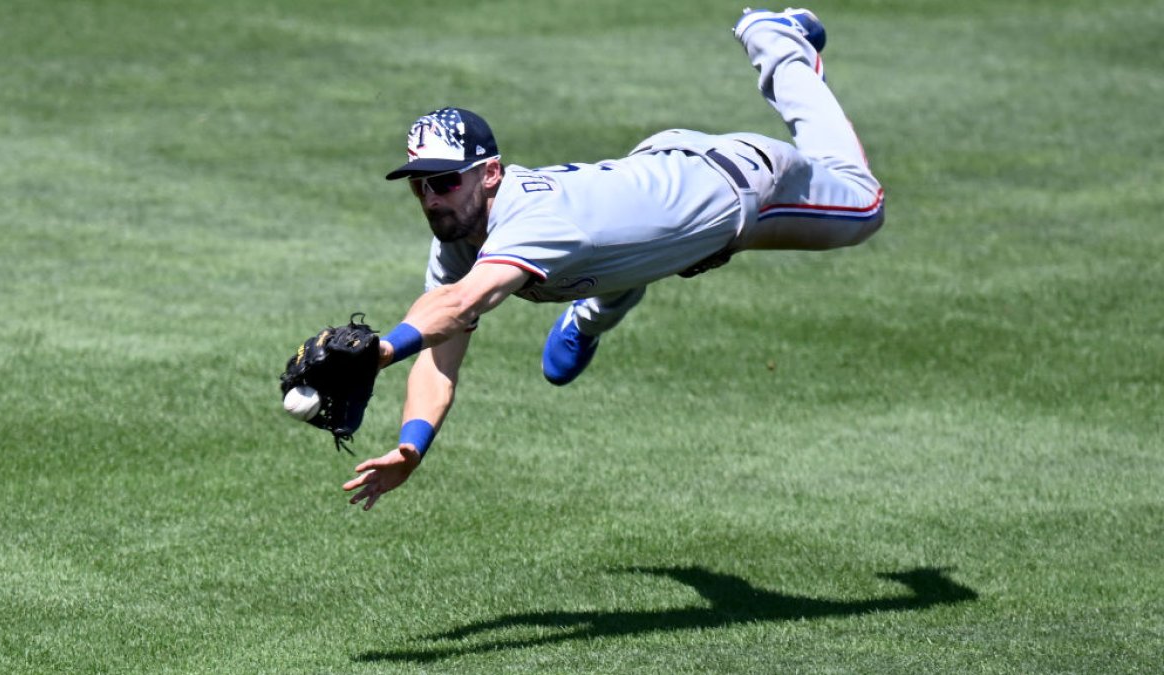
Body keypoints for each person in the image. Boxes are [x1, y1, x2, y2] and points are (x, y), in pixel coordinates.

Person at [343, 7, 885, 510]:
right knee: (616, 254)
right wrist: (411, 448)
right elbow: (439, 354)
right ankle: (590, 312)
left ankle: (775, 38)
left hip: (741, 187)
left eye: (444, 181)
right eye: (420, 186)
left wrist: (381, 351)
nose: (432, 199)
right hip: (648, 191)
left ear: (490, 174)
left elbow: (461, 304)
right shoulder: (458, 238)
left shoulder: (534, 220)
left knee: (865, 207)